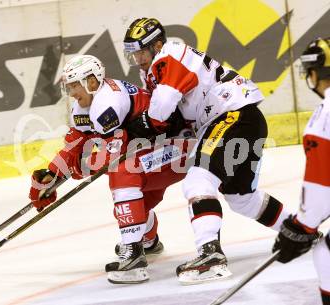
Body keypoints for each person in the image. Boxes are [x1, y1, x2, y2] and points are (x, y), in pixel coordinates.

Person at [122, 17, 292, 284]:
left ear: (157, 45)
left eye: (141, 52)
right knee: (241, 198)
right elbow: (172, 117)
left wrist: (142, 126)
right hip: (242, 120)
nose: (138, 60)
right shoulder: (157, 69)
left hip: (231, 117)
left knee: (198, 179)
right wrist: (159, 125)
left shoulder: (170, 55)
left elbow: (160, 111)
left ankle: (210, 254)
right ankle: (297, 230)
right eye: (133, 55)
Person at [29, 54, 193, 284]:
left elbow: (111, 158)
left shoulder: (108, 102)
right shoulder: (84, 106)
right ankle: (148, 241)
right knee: (130, 207)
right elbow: (76, 144)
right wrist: (52, 175)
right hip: (154, 149)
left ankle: (134, 257)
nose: (73, 93)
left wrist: (73, 171)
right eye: (69, 87)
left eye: (76, 86)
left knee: (123, 173)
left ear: (92, 82)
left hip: (180, 147)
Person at [272, 37, 330, 305]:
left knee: (327, 252)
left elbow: (321, 185)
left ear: (316, 73)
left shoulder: (324, 119)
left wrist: (301, 226)